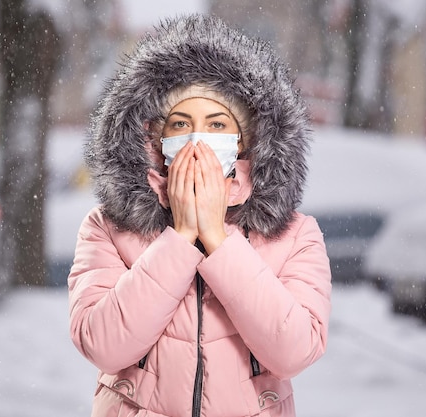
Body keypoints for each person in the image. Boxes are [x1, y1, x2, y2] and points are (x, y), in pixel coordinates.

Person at [68, 14, 332, 417]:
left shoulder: (294, 234)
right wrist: (181, 236)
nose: (197, 138)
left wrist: (216, 238)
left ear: (244, 141)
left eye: (216, 124)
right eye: (180, 124)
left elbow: (294, 351)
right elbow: (103, 345)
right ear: (156, 140)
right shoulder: (107, 227)